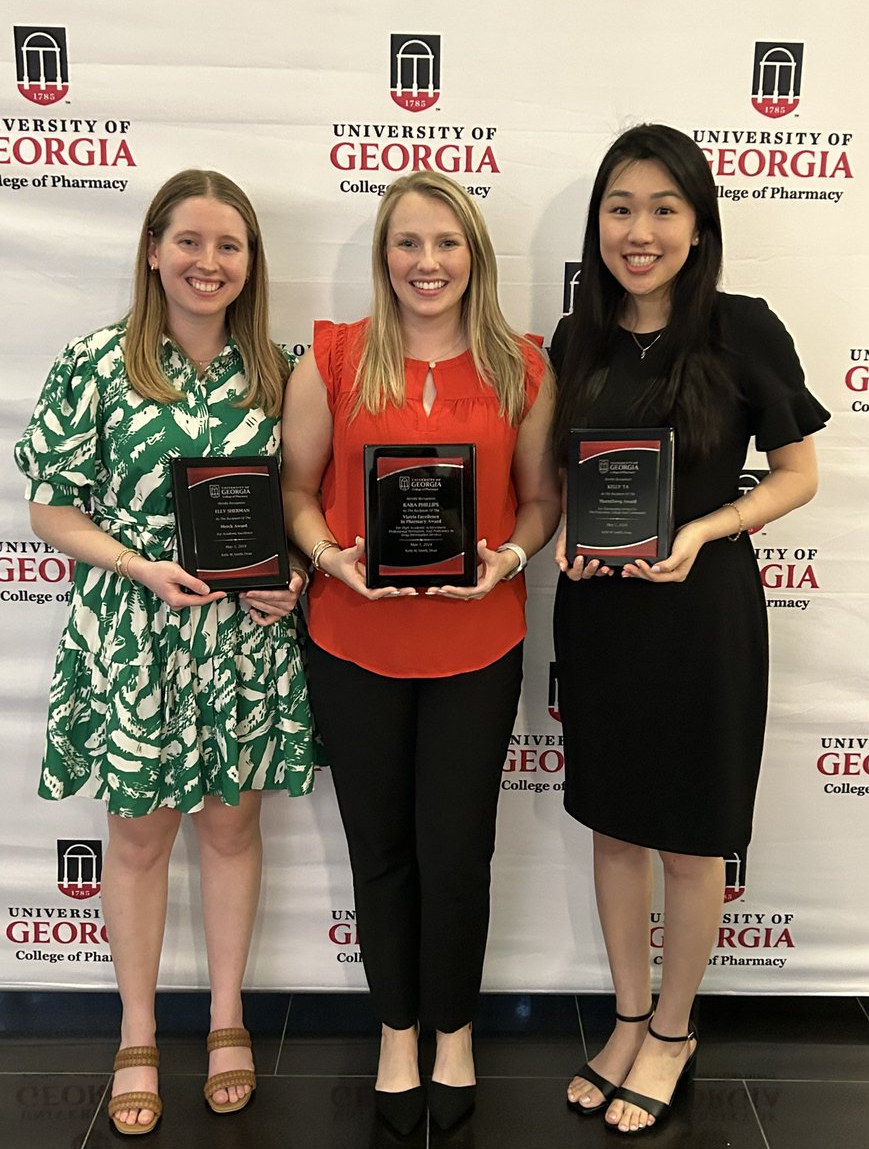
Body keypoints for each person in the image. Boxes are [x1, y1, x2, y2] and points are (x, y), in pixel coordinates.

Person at [15, 169, 318, 1135]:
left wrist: (295, 578)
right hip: (137, 634)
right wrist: (137, 564)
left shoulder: (282, 371)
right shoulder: (97, 364)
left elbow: (308, 509)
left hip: (242, 642)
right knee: (140, 838)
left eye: (229, 246)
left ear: (250, 264)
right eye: (190, 241)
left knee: (232, 829)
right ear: (153, 250)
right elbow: (49, 507)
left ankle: (228, 1016)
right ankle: (136, 1028)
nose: (208, 262)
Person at [551, 125, 828, 1134]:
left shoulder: (744, 329)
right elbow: (557, 488)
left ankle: (673, 1030)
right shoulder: (571, 338)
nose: (640, 230)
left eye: (665, 208)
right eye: (621, 207)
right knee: (616, 828)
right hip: (601, 618)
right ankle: (627, 1017)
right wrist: (567, 544)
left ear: (699, 223)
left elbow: (799, 475)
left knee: (691, 839)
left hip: (703, 618)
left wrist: (706, 527)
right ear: (598, 223)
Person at [280, 170, 559, 1134]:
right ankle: (397, 1031)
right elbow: (295, 493)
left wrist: (511, 558)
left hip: (477, 644)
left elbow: (540, 500)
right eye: (408, 243)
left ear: (473, 254)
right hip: (353, 641)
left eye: (447, 243)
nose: (427, 262)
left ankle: (455, 1033)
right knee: (382, 850)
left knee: (458, 853)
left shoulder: (523, 366)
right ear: (383, 255)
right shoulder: (333, 360)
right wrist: (329, 559)